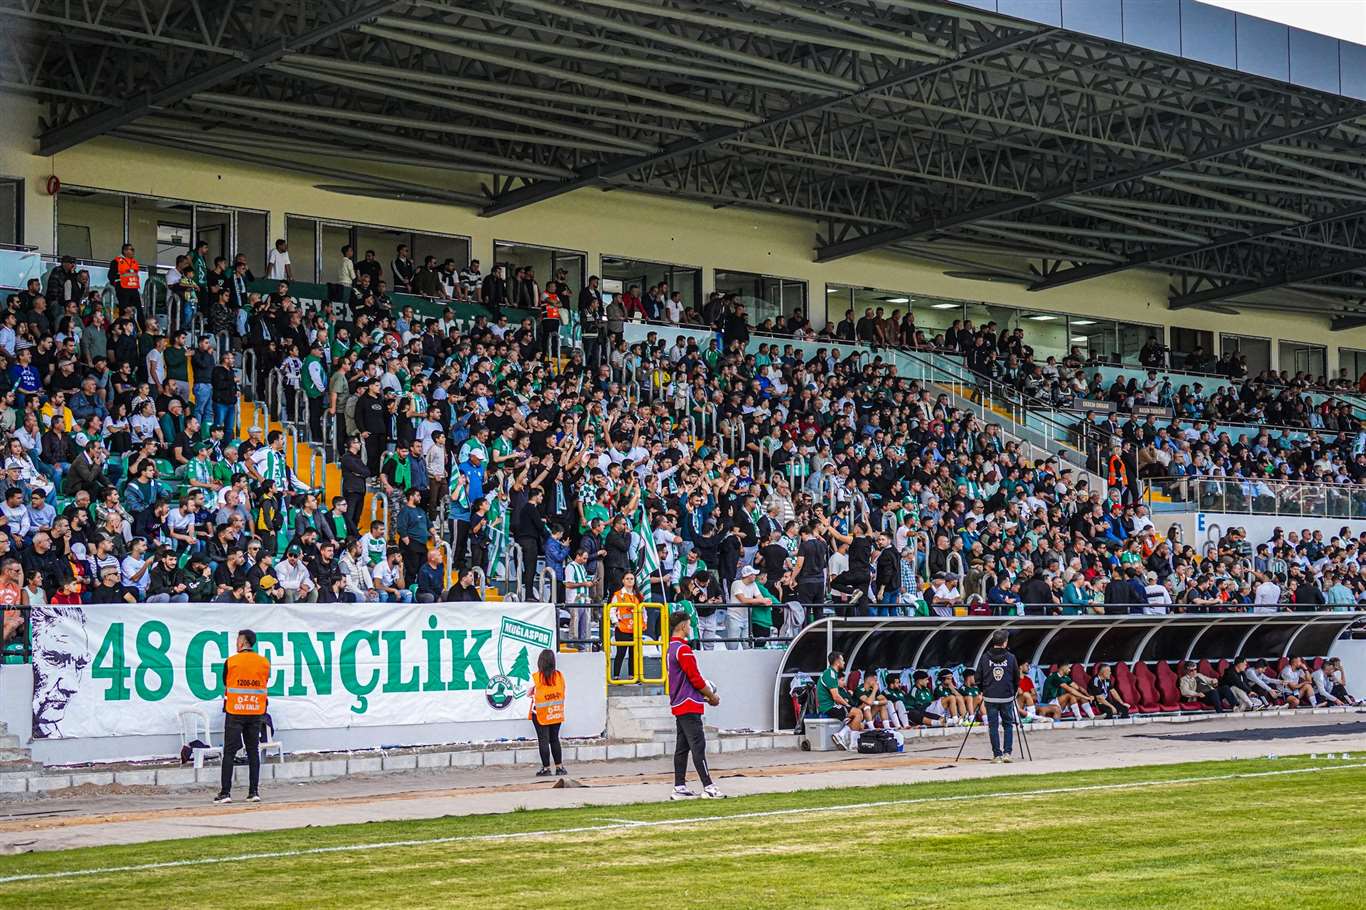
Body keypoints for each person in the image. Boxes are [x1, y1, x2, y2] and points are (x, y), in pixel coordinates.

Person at [665, 610, 724, 800]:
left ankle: (679, 786)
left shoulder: (670, 648)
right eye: (689, 624)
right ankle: (708, 786)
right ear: (682, 626)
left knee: (682, 747)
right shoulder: (683, 649)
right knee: (698, 746)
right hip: (689, 703)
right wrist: (711, 696)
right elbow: (696, 679)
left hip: (679, 702)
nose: (690, 628)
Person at [215, 628, 269, 804]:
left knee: (229, 752)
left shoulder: (231, 661)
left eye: (238, 639)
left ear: (243, 642)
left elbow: (226, 681)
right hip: (255, 711)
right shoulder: (264, 662)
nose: (236, 643)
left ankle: (225, 793)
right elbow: (265, 681)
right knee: (253, 751)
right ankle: (253, 792)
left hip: (236, 710)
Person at [976, 629, 1019, 762]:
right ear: (1005, 643)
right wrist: (1013, 691)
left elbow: (978, 677)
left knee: (993, 726)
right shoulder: (1011, 657)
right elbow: (1016, 677)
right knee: (1008, 724)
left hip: (990, 696)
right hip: (1006, 696)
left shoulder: (985, 657)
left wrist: (983, 689)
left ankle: (997, 755)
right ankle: (1007, 753)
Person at [529, 648, 567, 778]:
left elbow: (528, 693)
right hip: (556, 713)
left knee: (543, 740)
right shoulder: (559, 676)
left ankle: (546, 768)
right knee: (554, 739)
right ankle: (559, 767)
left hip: (540, 714)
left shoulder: (535, 677)